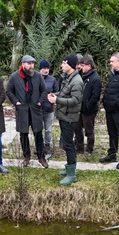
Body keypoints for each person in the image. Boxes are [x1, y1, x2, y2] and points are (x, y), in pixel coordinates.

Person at [7, 55, 48, 168]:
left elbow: (44, 90)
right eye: (29, 63)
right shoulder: (14, 77)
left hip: (35, 109)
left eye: (33, 63)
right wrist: (16, 102)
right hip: (22, 110)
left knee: (38, 134)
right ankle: (26, 157)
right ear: (23, 64)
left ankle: (41, 157)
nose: (31, 66)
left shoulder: (38, 76)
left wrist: (40, 101)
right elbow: (9, 91)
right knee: (23, 134)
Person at [48, 54, 83, 185]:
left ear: (70, 65)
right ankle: (69, 167)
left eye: (64, 63)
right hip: (64, 116)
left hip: (70, 117)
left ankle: (72, 174)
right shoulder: (68, 78)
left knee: (69, 145)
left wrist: (57, 100)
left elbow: (75, 100)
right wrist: (55, 95)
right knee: (67, 143)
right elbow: (64, 93)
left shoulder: (77, 81)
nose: (61, 65)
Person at [74, 54, 102, 155]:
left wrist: (87, 106)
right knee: (77, 129)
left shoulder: (95, 79)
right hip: (79, 108)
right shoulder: (81, 75)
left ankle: (89, 149)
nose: (81, 67)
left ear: (89, 66)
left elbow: (95, 96)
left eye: (83, 65)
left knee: (89, 130)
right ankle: (79, 147)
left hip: (88, 110)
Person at [39, 60, 59, 159]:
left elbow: (57, 92)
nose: (46, 70)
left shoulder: (52, 80)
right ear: (40, 69)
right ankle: (39, 146)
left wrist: (53, 97)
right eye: (44, 68)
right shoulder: (35, 78)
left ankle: (47, 146)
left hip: (49, 109)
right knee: (38, 129)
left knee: (48, 130)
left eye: (47, 68)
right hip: (38, 109)